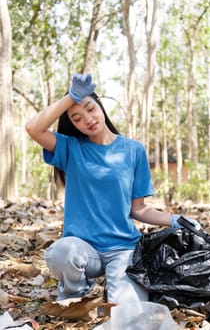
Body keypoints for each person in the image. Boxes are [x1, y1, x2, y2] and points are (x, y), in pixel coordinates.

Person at [25, 73, 200, 305]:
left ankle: (114, 290)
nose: (87, 119)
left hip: (123, 248)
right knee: (61, 252)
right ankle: (76, 294)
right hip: (83, 249)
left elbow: (138, 209)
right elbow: (33, 128)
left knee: (127, 311)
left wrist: (175, 219)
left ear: (100, 106)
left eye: (90, 108)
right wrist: (71, 97)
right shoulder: (71, 148)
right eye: (77, 118)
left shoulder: (134, 150)